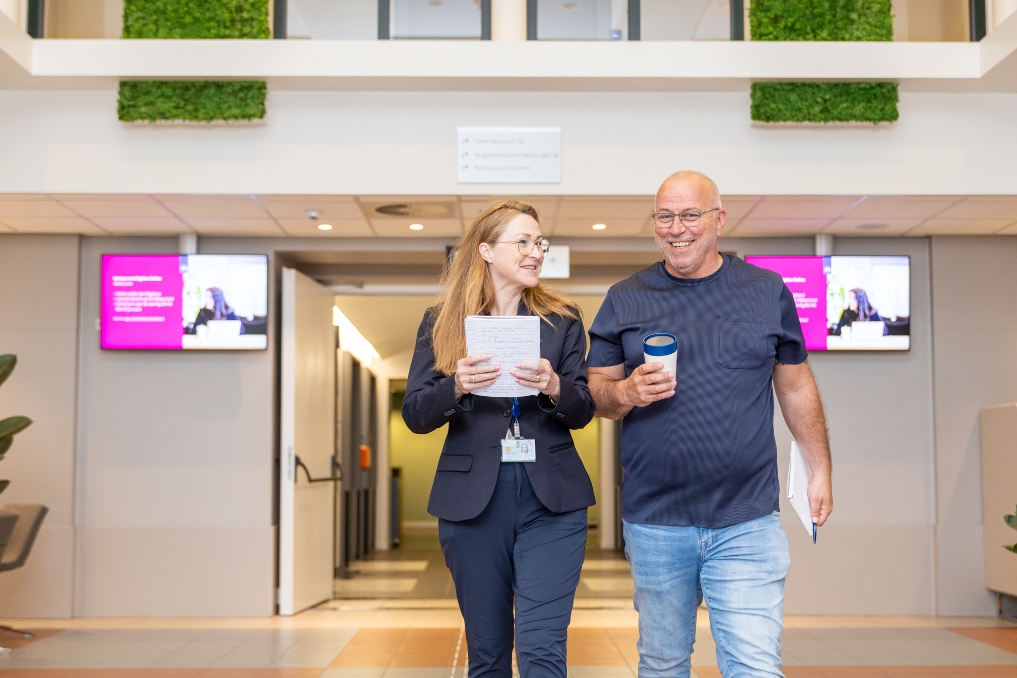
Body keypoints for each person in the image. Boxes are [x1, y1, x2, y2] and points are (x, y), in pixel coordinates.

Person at [586, 171, 833, 678]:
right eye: (665, 216)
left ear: (719, 220)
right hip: (655, 519)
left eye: (690, 215)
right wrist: (627, 392)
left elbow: (795, 385)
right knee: (663, 662)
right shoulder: (624, 297)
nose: (676, 229)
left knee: (754, 665)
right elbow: (598, 395)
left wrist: (820, 467)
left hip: (746, 518)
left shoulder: (766, 291)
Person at [402, 200, 596, 678]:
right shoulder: (441, 322)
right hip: (471, 503)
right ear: (486, 250)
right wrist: (457, 386)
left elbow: (584, 408)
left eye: (540, 242)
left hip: (552, 500)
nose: (536, 252)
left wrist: (554, 387)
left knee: (541, 649)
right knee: (487, 655)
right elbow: (416, 414)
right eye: (523, 241)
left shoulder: (563, 318)